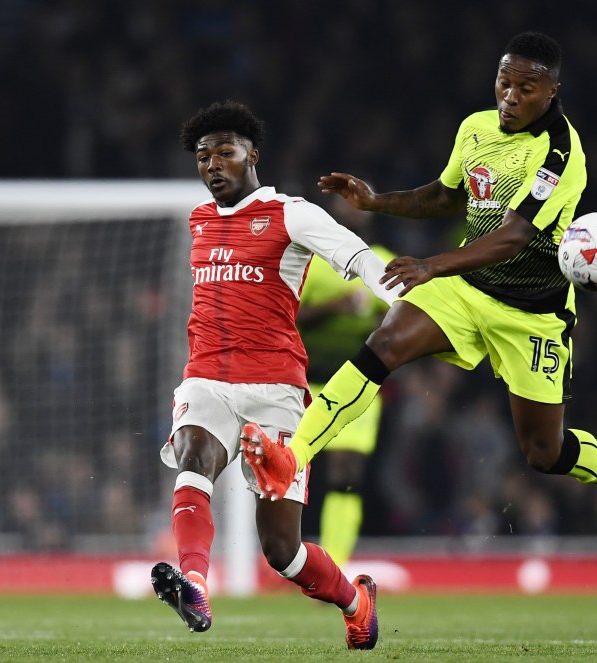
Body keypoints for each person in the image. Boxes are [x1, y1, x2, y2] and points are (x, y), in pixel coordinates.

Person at [241, 32, 597, 540]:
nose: (510, 96)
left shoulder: (561, 153)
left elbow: (513, 237)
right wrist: (376, 201)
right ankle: (291, 459)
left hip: (531, 313)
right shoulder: (475, 128)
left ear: (552, 91)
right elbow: (447, 195)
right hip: (466, 289)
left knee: (544, 452)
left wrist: (431, 265)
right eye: (504, 82)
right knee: (385, 344)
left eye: (525, 89)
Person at [150, 100, 386, 650]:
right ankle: (195, 583)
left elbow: (357, 259)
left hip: (276, 390)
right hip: (206, 375)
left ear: (252, 154)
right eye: (203, 156)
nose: (212, 164)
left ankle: (356, 602)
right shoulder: (198, 219)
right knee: (192, 457)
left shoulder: (292, 213)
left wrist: (416, 301)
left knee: (282, 549)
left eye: (225, 152)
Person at [297, 224, 395, 568]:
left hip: (358, 386)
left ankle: (335, 562)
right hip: (307, 383)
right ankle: (282, 555)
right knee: (290, 468)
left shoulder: (383, 263)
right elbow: (287, 317)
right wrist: (333, 307)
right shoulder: (311, 263)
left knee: (348, 471)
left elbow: (407, 316)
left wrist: (384, 313)